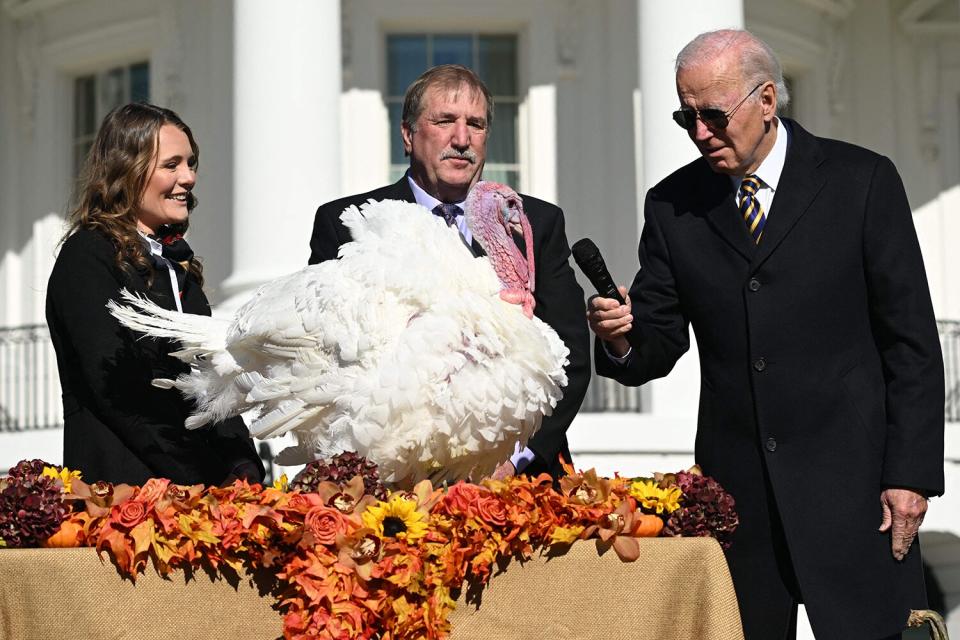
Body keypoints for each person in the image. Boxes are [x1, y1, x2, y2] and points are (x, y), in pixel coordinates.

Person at [588, 30, 944, 640]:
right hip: (738, 502)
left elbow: (910, 342)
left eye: (713, 114)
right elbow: (656, 342)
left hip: (859, 495)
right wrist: (621, 335)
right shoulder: (672, 205)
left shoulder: (862, 181)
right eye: (685, 116)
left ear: (767, 100)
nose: (700, 132)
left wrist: (910, 475)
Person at [309, 64, 590, 479]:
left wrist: (513, 462)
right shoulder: (349, 223)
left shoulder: (534, 223)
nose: (462, 139)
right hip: (394, 478)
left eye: (475, 125)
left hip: (517, 478)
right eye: (444, 121)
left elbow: (570, 357)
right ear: (407, 135)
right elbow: (326, 357)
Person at [46, 103, 264, 487]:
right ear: (126, 171)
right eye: (172, 165)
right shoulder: (88, 256)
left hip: (198, 495)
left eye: (191, 163)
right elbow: (121, 392)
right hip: (124, 493)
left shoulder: (178, 269)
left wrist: (243, 466)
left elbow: (211, 383)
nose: (189, 177)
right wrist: (204, 479)